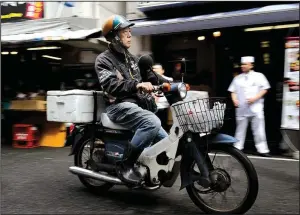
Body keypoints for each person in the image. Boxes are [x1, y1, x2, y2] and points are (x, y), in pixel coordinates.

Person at [94, 15, 170, 185]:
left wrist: (171, 84)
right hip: (118, 106)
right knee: (152, 123)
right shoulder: (104, 60)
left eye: (130, 31)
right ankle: (126, 165)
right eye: (125, 31)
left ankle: (150, 168)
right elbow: (110, 85)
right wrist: (137, 85)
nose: (129, 35)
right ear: (114, 37)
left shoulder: (133, 59)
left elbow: (152, 75)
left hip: (137, 107)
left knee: (167, 143)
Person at [228, 56, 271, 157]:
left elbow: (265, 89)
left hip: (256, 107)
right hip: (242, 108)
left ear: (251, 65)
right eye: (242, 64)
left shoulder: (259, 76)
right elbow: (233, 91)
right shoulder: (237, 78)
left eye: (245, 64)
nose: (242, 66)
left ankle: (263, 149)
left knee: (259, 129)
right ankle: (238, 148)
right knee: (240, 129)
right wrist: (234, 100)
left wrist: (255, 98)